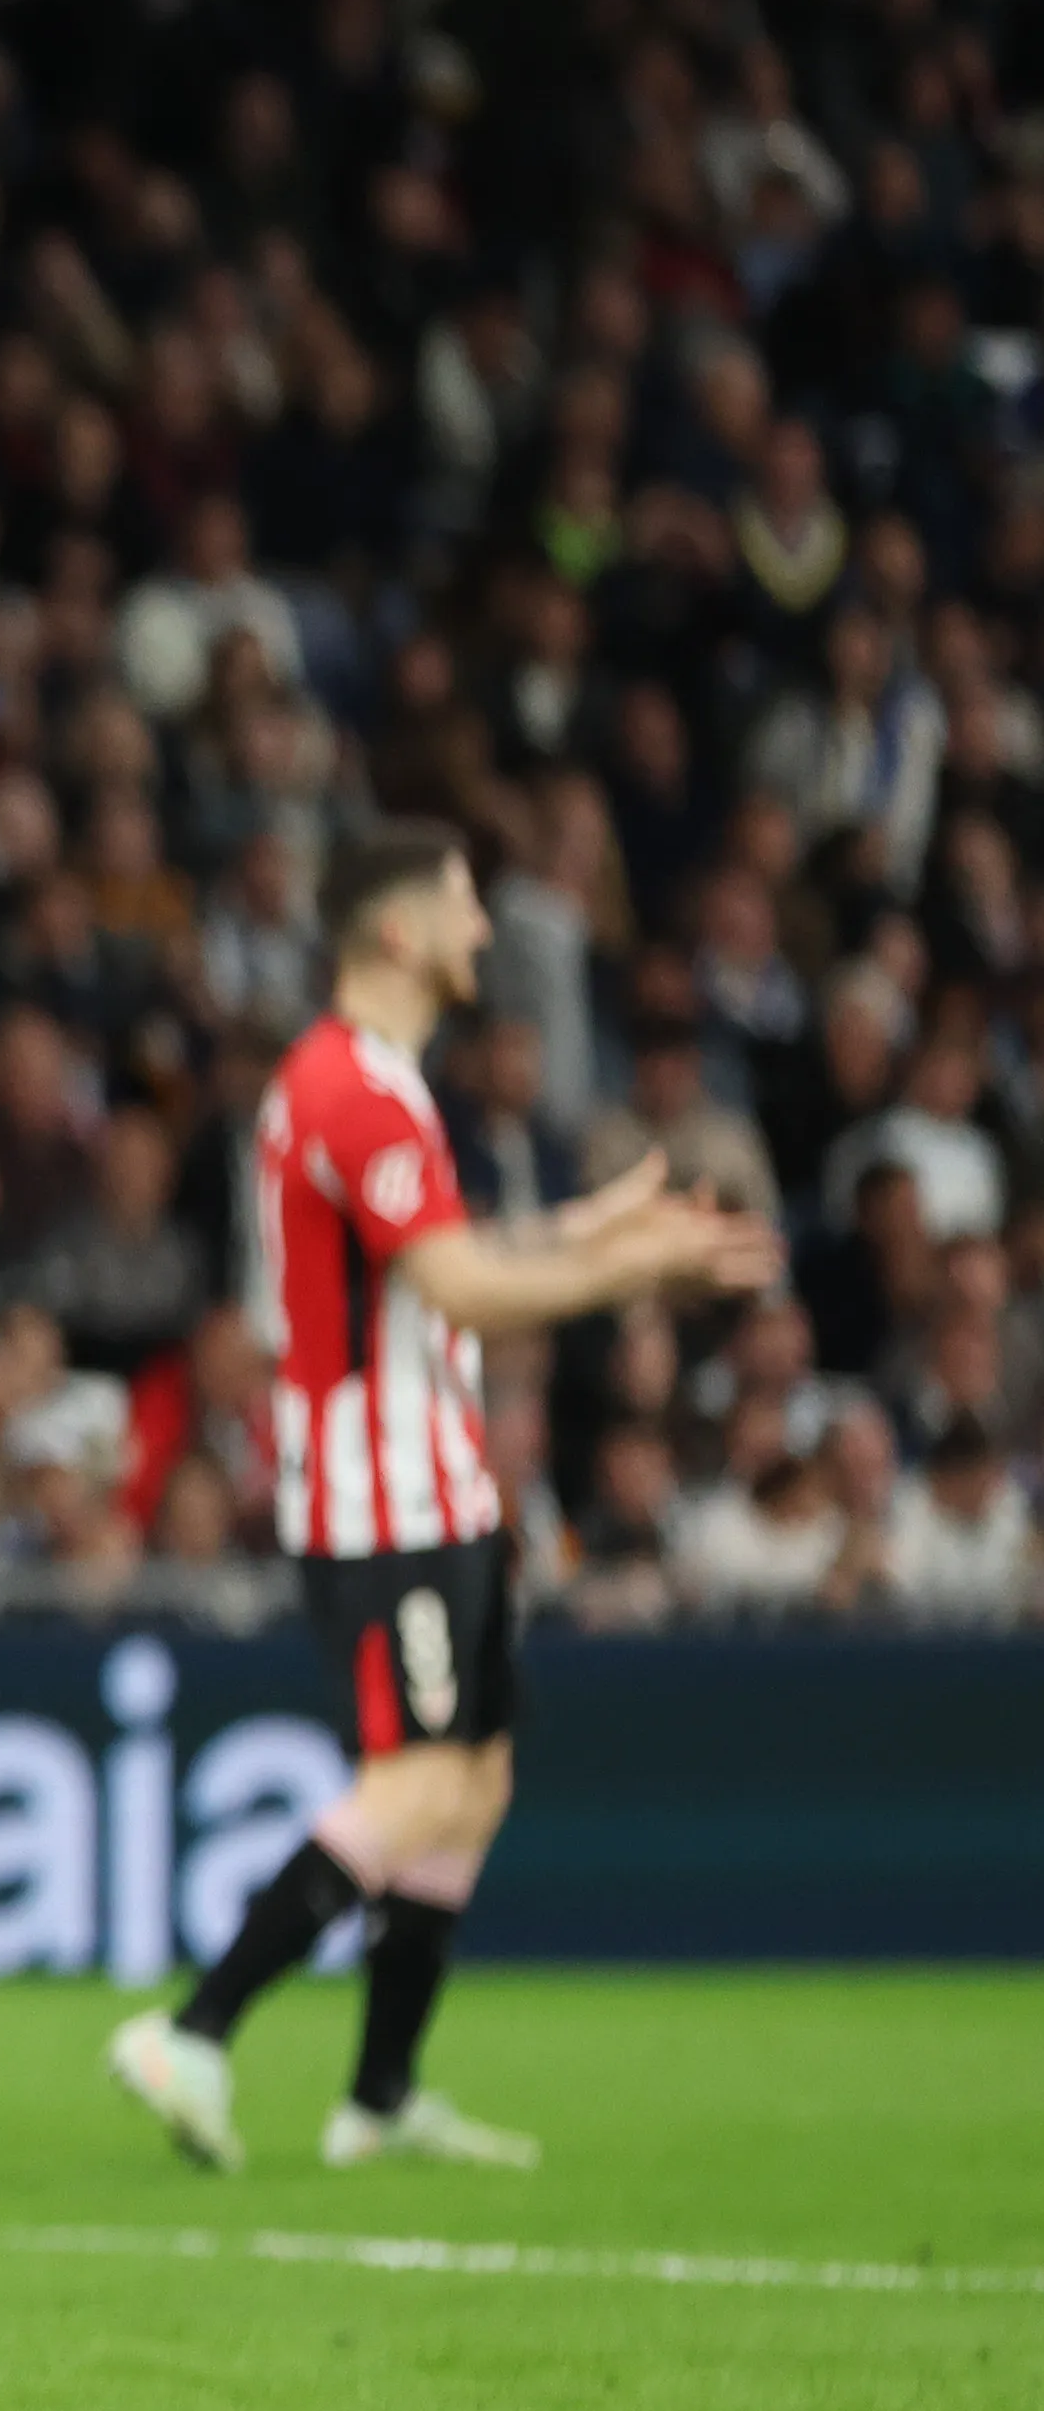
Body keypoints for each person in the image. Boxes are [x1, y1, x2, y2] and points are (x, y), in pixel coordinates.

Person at [112, 822, 777, 2172]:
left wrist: (595, 1229)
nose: (490, 930)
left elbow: (448, 1257)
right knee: (416, 1781)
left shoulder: (382, 1083)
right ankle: (194, 2029)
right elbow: (461, 1288)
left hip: (442, 1490)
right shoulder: (351, 1091)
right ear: (401, 931)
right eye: (471, 904)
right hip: (381, 1502)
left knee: (474, 1779)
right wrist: (634, 1273)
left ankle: (379, 2094)